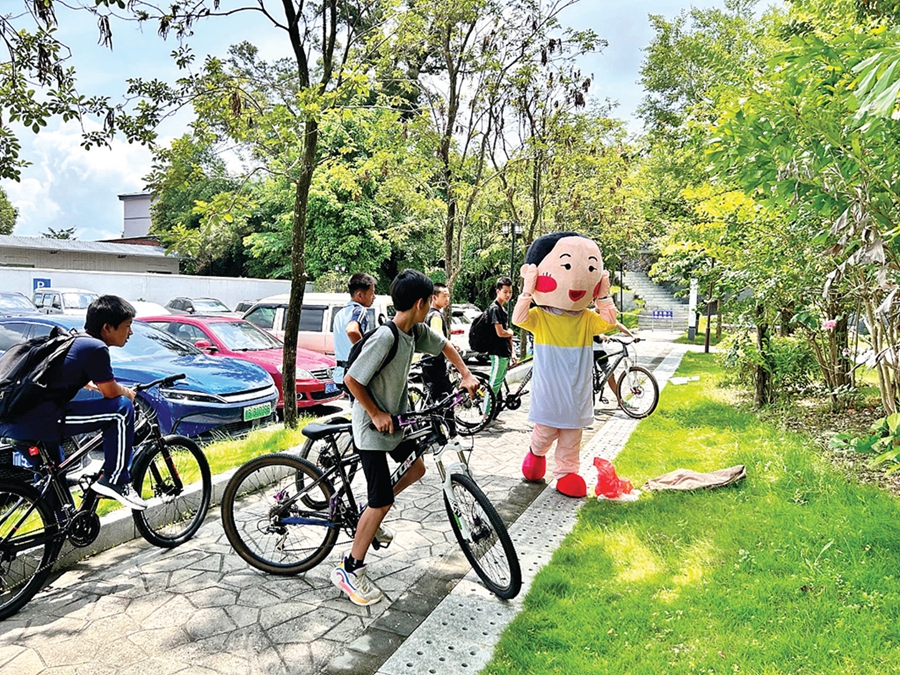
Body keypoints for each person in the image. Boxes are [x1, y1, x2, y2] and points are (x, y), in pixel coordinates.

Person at [332, 269, 479, 606]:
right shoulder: (386, 337)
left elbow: (444, 346)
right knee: (381, 501)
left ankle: (371, 514)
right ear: (420, 303)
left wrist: (466, 374)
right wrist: (375, 413)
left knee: (416, 468)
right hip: (371, 429)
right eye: (430, 300)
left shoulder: (415, 331)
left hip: (396, 422)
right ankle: (349, 570)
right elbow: (352, 380)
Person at [0, 295, 147, 510]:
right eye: (127, 326)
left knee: (54, 477)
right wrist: (128, 393)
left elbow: (60, 375)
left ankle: (59, 524)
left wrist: (91, 385)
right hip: (43, 420)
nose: (130, 332)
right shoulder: (96, 347)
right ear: (107, 327)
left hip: (14, 420)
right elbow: (111, 393)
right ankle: (116, 480)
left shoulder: (74, 339)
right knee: (121, 410)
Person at [332, 273, 377, 400]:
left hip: (341, 373)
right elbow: (352, 330)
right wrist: (365, 352)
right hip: (355, 373)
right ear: (360, 295)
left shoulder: (340, 313)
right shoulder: (359, 311)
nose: (374, 297)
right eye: (372, 293)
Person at [419, 283, 457, 434]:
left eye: (448, 296)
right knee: (447, 397)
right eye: (444, 296)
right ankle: (452, 432)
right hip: (435, 363)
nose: (447, 299)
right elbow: (438, 341)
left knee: (431, 399)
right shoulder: (435, 316)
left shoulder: (427, 314)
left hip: (426, 361)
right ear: (434, 298)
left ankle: (433, 429)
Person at [483, 277, 515, 421]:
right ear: (498, 291)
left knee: (498, 384)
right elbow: (501, 332)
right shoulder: (494, 308)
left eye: (510, 292)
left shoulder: (503, 309)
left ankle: (492, 414)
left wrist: (513, 352)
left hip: (504, 352)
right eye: (505, 292)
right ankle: (485, 416)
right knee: (493, 385)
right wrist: (510, 332)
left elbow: (507, 334)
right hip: (497, 352)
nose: (508, 295)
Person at [593, 315, 640, 403]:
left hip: (599, 351)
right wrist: (602, 335)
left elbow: (618, 324)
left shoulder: (606, 315)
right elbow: (591, 330)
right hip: (587, 351)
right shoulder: (591, 314)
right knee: (586, 377)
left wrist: (632, 336)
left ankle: (620, 400)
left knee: (610, 375)